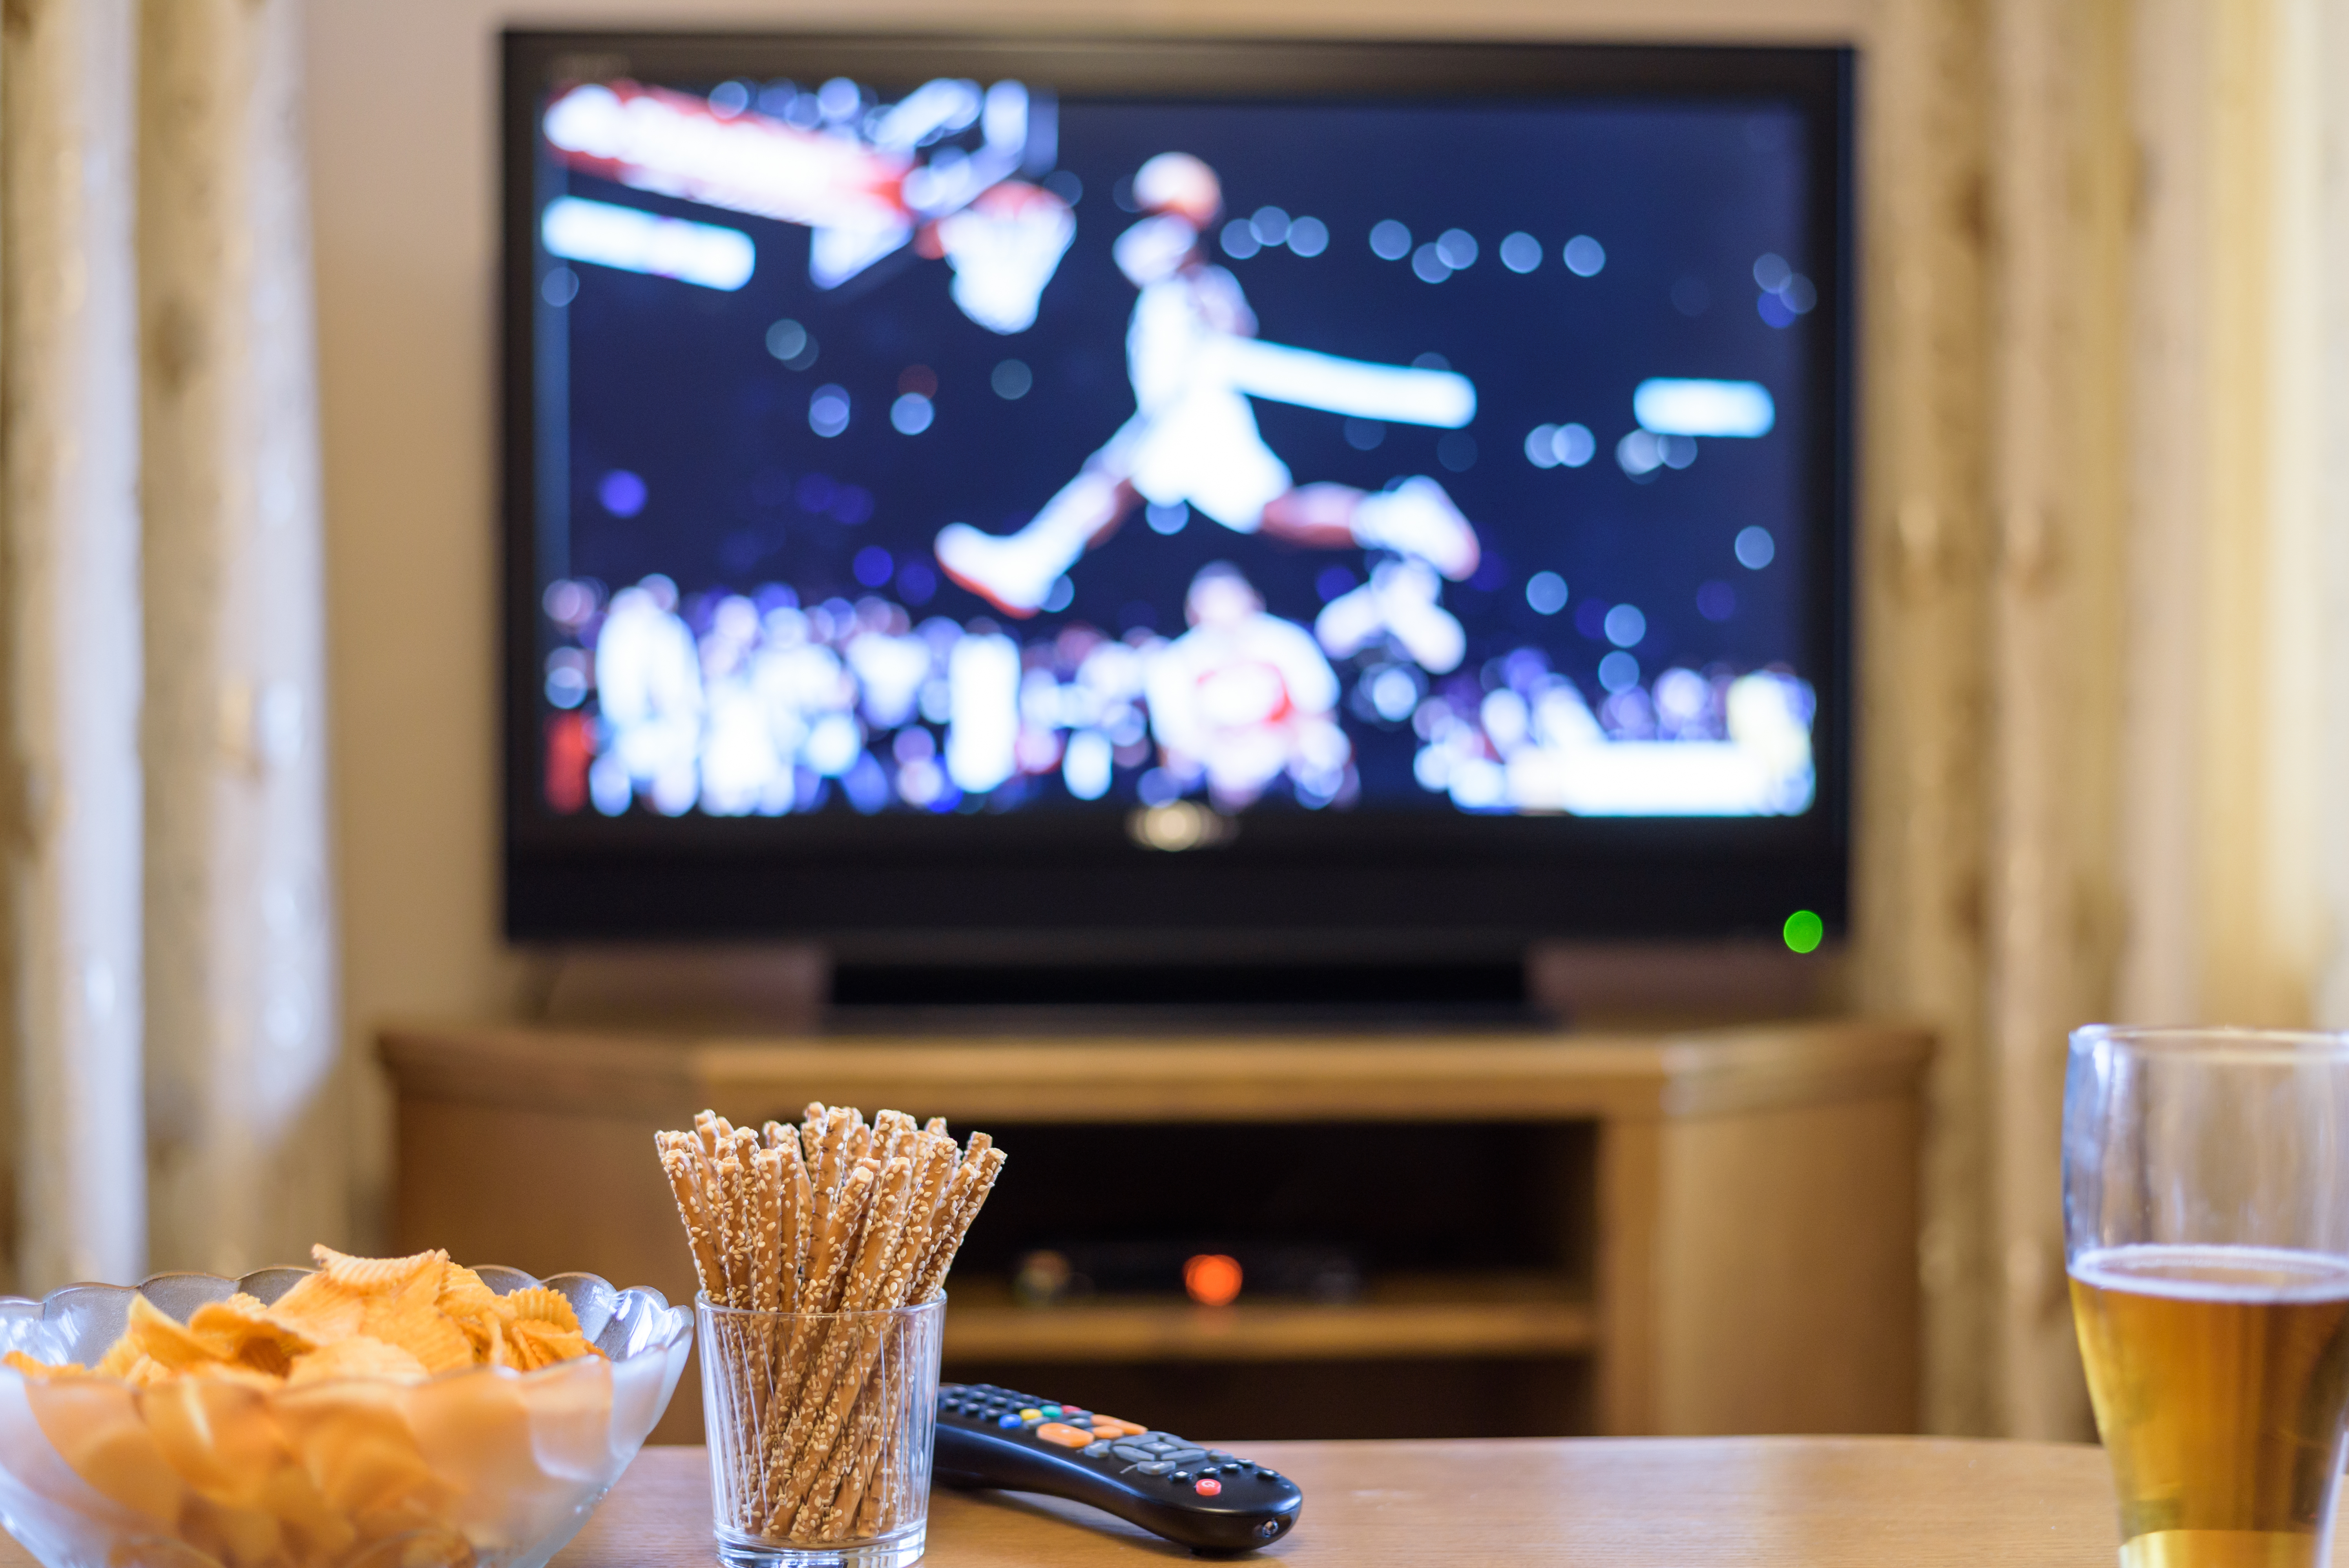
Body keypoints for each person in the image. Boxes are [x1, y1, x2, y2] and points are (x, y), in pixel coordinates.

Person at [935, 152, 1484, 617]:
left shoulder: (1180, 255)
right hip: (1190, 411)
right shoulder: (1184, 264)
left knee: (1116, 476)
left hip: (1188, 410)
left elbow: (1220, 318)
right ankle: (1395, 517)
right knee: (1276, 513)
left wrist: (1183, 277)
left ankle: (1032, 562)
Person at [1144, 563, 1350, 809]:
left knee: (1327, 750)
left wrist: (1276, 741)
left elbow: (1320, 712)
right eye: (1212, 604)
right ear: (1193, 613)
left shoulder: (1288, 640)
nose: (1224, 613)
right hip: (1219, 756)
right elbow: (1174, 742)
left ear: (1254, 600)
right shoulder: (1175, 661)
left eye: (1230, 600)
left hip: (1282, 745)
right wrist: (1226, 749)